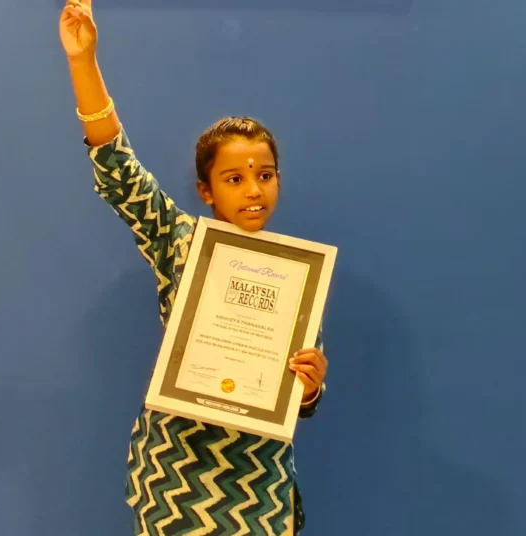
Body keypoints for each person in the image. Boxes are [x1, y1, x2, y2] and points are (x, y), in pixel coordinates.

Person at [59, 2, 329, 534]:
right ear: (206, 190)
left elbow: (299, 401)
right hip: (175, 482)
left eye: (265, 175)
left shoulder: (299, 273)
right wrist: (82, 61)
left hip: (261, 491)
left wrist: (312, 384)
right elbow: (118, 168)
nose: (253, 190)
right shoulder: (178, 239)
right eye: (234, 179)